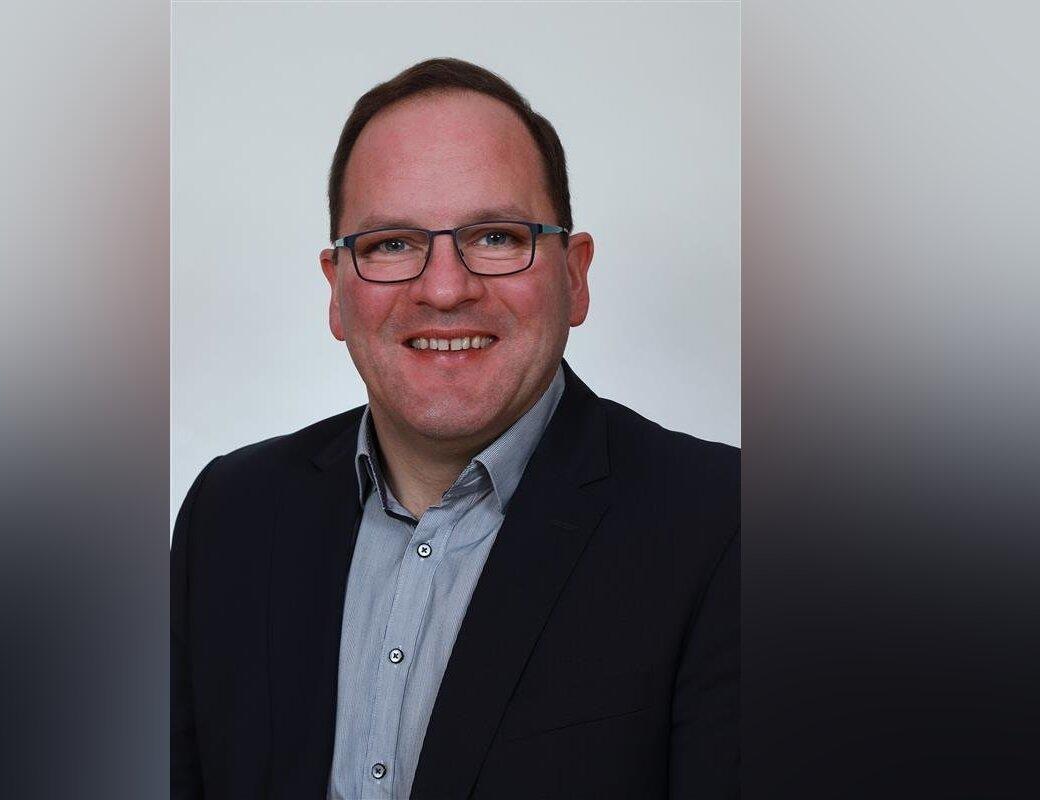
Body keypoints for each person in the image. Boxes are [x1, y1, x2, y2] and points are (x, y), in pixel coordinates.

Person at [171, 58, 739, 799]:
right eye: (391, 244)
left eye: (497, 237)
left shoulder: (725, 527)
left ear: (574, 276)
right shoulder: (231, 514)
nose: (444, 289)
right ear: (337, 291)